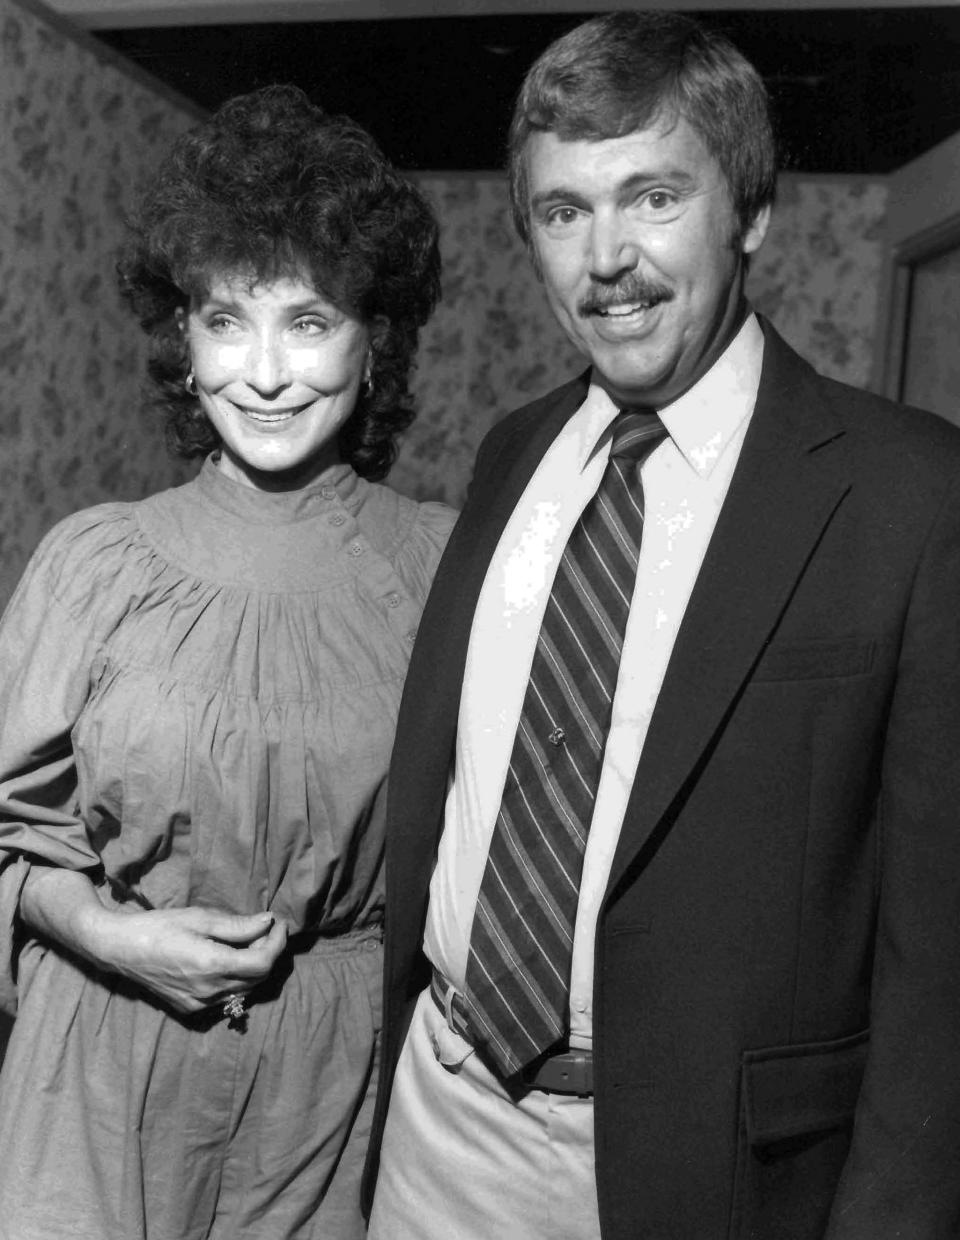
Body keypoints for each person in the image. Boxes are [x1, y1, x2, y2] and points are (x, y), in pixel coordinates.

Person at [364, 12, 960, 1240]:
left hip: (702, 1178)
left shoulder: (910, 495)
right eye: (564, 211)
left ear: (749, 211)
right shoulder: (511, 451)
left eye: (651, 196)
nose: (607, 258)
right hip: (440, 1112)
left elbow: (939, 970)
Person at [0, 84, 455, 1240]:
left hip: (333, 1083)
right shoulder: (92, 564)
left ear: (374, 340)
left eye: (307, 322)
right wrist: (102, 930)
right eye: (224, 321)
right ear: (183, 345)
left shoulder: (449, 567)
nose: (264, 372)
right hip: (95, 1065)